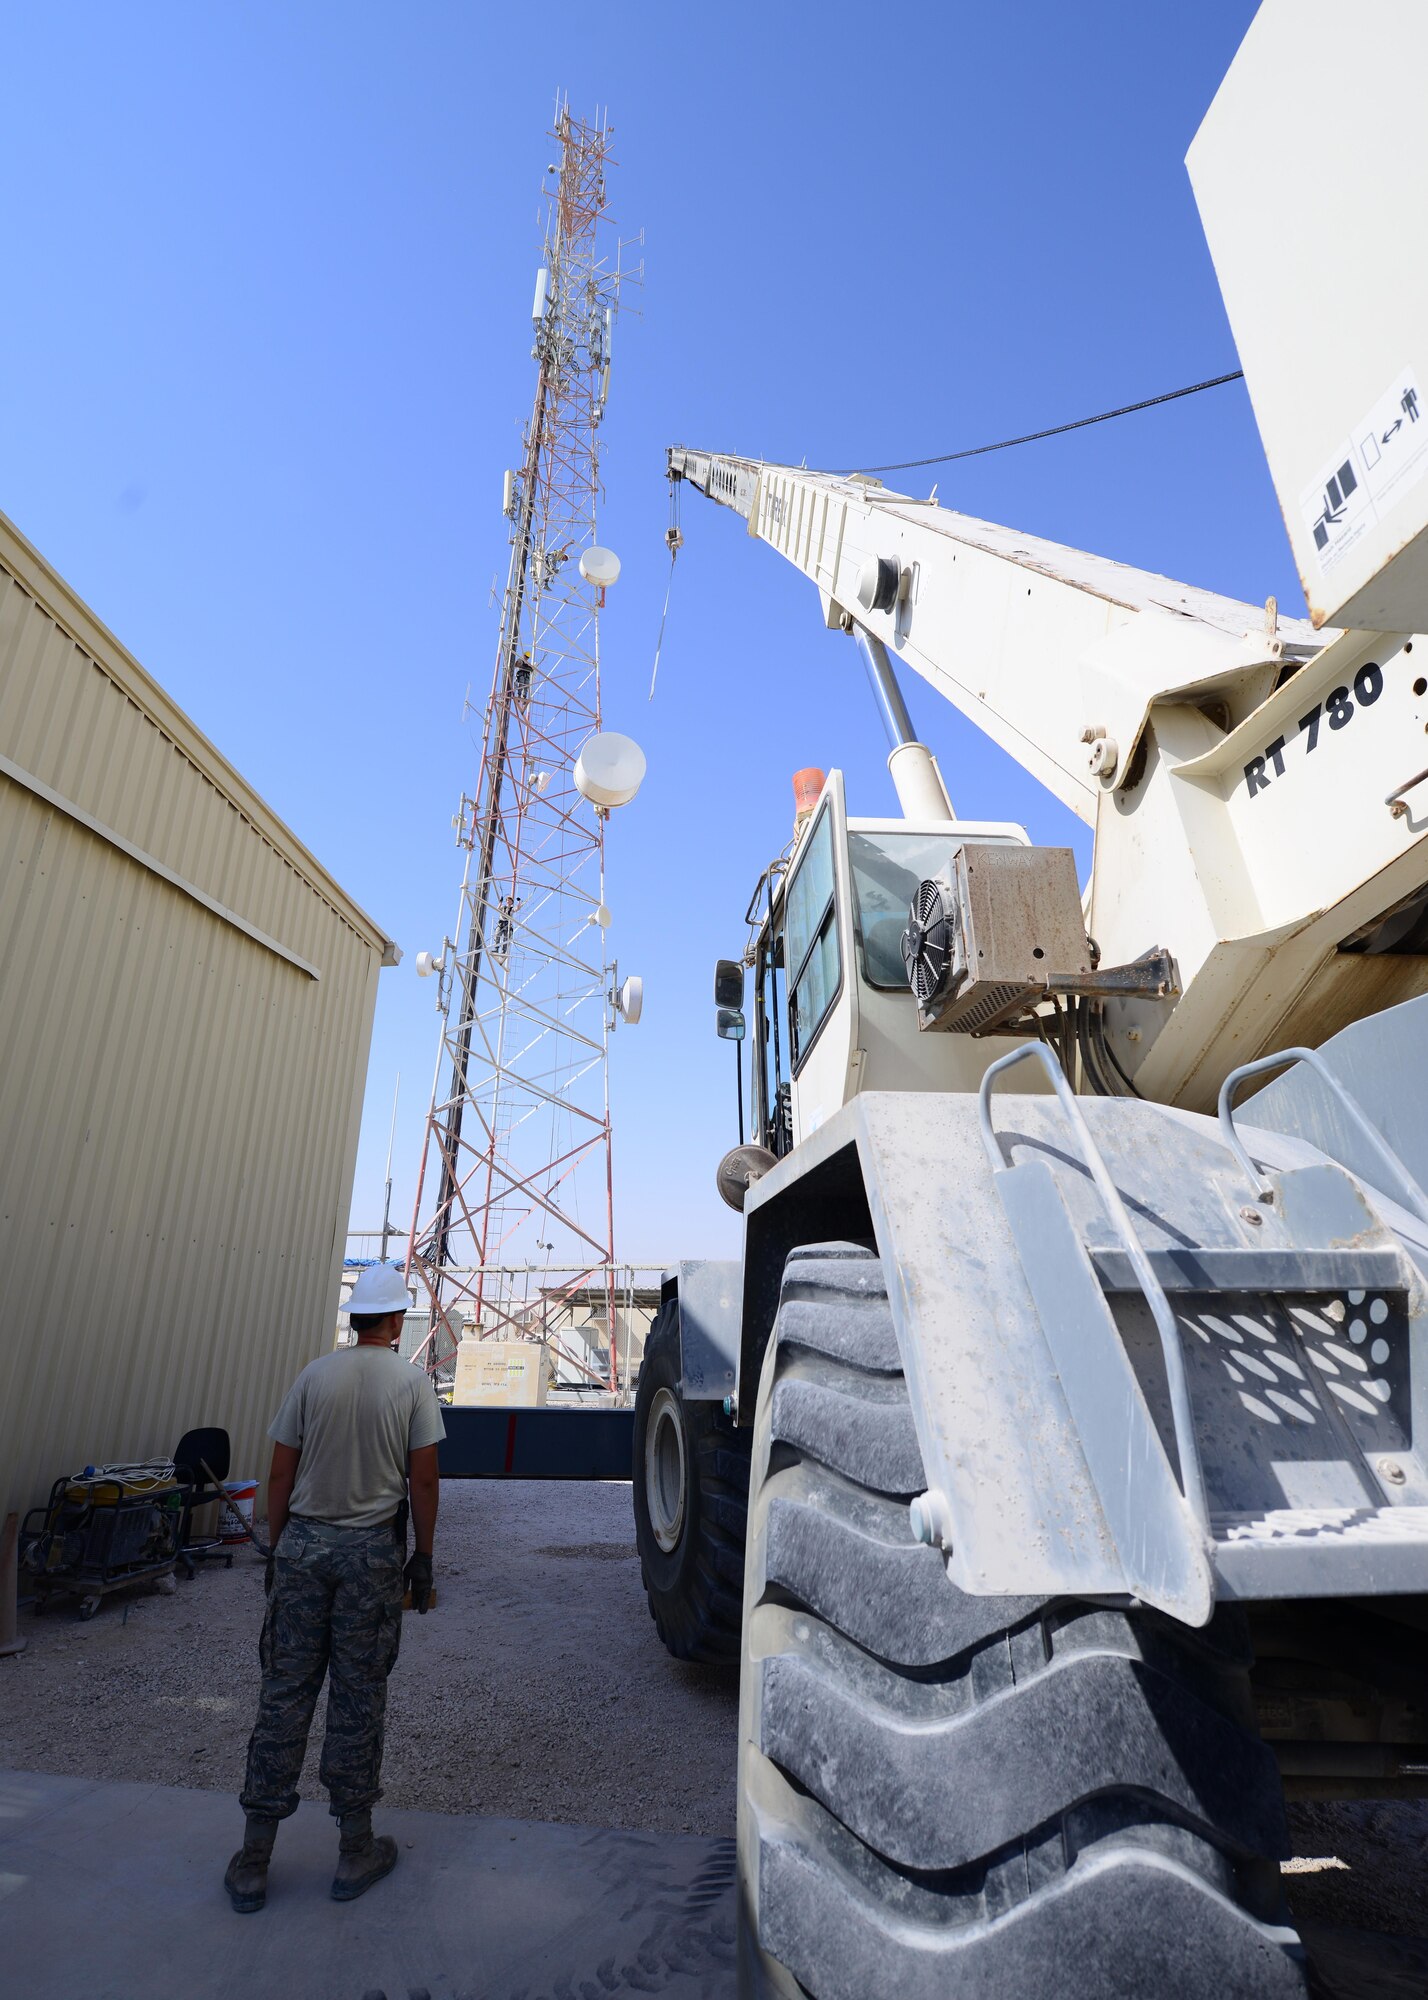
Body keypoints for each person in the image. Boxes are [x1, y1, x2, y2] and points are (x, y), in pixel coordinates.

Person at [224, 1262, 445, 1912]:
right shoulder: (412, 1384)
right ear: (398, 1321)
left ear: (356, 1319)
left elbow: (279, 1473)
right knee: (358, 1697)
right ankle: (354, 1852)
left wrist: (280, 1545)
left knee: (285, 1692)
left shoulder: (313, 1376)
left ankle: (253, 1862)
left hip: (304, 1550)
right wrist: (424, 1559)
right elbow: (424, 1483)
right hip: (370, 1558)